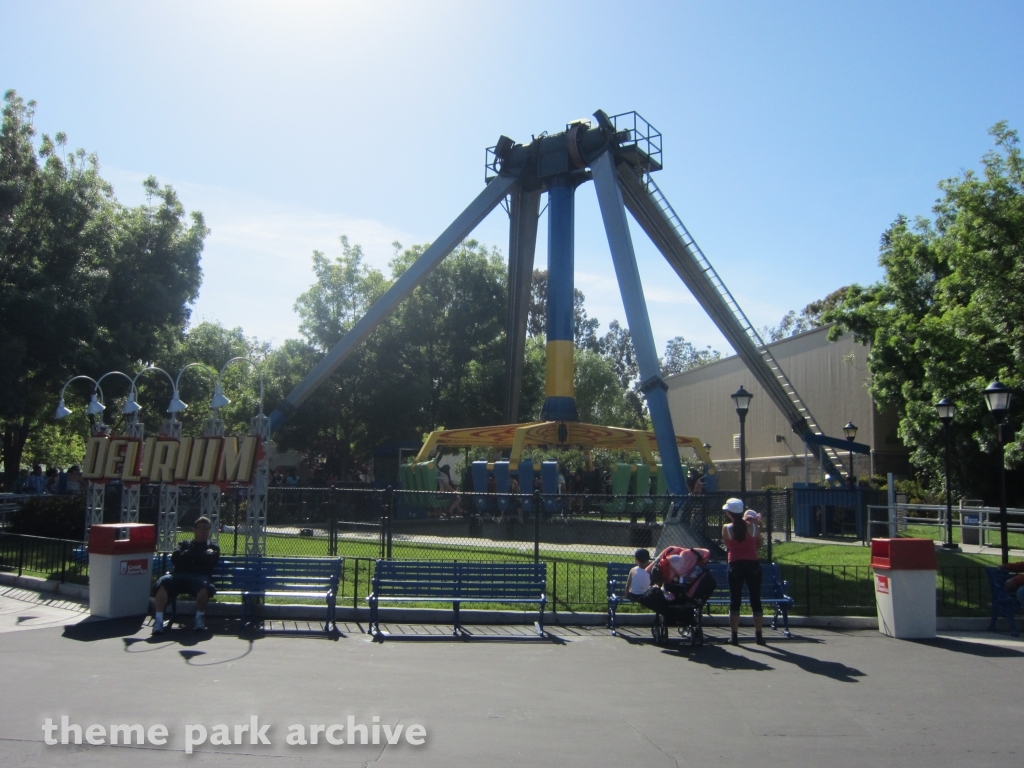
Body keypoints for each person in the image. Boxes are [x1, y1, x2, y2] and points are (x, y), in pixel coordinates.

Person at [152, 517, 221, 633]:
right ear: (194, 529)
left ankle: (199, 619)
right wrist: (198, 556)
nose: (204, 531)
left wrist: (187, 555)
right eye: (201, 528)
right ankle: (158, 620)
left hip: (199, 578)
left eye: (207, 528)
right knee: (163, 582)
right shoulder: (184, 543)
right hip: (178, 576)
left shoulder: (213, 547)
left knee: (205, 587)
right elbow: (175, 558)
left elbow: (210, 561)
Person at [721, 497, 765, 646]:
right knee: (755, 599)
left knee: (735, 600)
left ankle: (734, 636)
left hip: (735, 565)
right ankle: (758, 635)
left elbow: (728, 545)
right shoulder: (753, 527)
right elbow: (759, 543)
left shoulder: (726, 528)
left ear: (729, 513)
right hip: (753, 564)